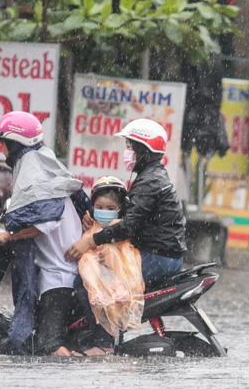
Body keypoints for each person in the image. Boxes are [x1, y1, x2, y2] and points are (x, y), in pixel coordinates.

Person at [0, 111, 89, 356]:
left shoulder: (35, 176)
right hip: (57, 274)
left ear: (16, 143)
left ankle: (88, 372)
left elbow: (42, 223)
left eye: (3, 144)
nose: (3, 151)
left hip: (60, 279)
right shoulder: (42, 169)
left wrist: (6, 236)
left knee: (48, 346)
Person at [65, 119, 186, 285]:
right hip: (160, 255)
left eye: (130, 147)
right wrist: (93, 213)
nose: (127, 152)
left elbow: (129, 226)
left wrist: (90, 240)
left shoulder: (150, 181)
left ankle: (102, 312)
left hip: (158, 259)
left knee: (87, 279)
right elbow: (129, 208)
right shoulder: (150, 176)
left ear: (143, 149)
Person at [75, 176, 145, 346]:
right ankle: (96, 295)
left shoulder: (119, 225)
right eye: (99, 207)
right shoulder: (91, 222)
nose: (104, 211)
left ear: (120, 209)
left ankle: (106, 344)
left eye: (110, 208)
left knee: (109, 249)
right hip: (97, 266)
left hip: (120, 267)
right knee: (85, 262)